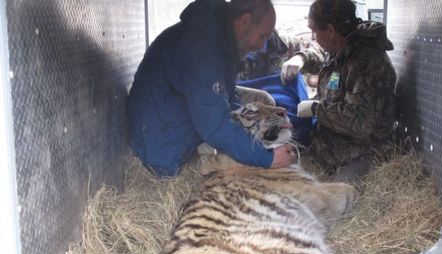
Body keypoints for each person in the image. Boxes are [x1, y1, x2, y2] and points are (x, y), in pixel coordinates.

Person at [127, 0, 296, 177]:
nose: (262, 46)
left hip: (174, 116)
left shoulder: (219, 37)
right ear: (244, 21)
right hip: (159, 147)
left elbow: (228, 96)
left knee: (261, 99)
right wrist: (267, 159)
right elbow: (214, 124)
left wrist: (269, 122)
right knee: (245, 168)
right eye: (262, 37)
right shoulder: (202, 49)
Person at [283, 0, 397, 182]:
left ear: (330, 30)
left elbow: (362, 122)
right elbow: (323, 58)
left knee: (334, 203)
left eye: (314, 31)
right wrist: (301, 58)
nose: (312, 37)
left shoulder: (368, 63)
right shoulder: (341, 49)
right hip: (331, 150)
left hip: (362, 155)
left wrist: (316, 109)